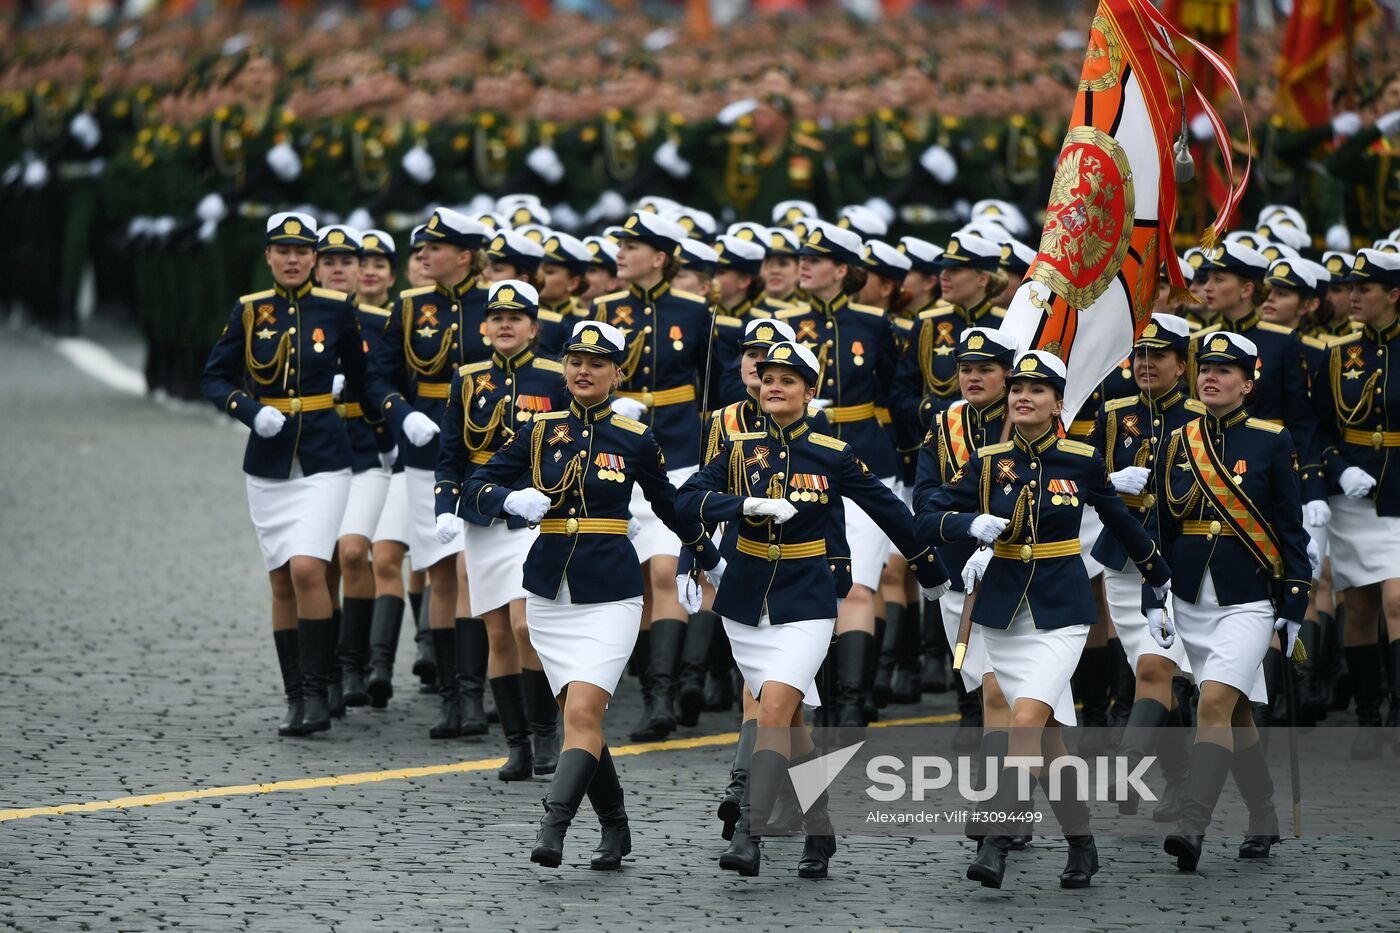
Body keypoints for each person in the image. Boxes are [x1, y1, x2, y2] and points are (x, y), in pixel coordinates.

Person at [678, 340, 950, 879]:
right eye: (767, 376)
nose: (774, 385)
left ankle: (750, 835)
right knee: (792, 724)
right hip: (746, 598)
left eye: (788, 379)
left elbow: (890, 509)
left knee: (775, 710)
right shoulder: (737, 448)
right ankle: (820, 824)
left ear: (809, 391)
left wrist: (928, 566)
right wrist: (739, 509)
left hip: (808, 596)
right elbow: (687, 501)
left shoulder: (832, 452)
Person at [461, 319, 718, 870]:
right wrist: (509, 499)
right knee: (583, 722)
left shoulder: (634, 437)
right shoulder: (537, 430)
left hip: (610, 593)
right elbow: (474, 485)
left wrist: (704, 552)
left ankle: (552, 827)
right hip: (551, 591)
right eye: (575, 361)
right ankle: (616, 828)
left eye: (597, 363)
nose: (583, 370)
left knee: (581, 710)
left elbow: (671, 506)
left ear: (616, 374)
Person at [920, 350, 1171, 890]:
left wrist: (1158, 573)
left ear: (1059, 403)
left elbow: (1118, 519)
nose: (1023, 396)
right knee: (1050, 741)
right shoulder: (987, 461)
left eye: (1038, 389)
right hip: (1003, 615)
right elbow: (928, 511)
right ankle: (1082, 844)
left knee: (1026, 721)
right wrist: (969, 525)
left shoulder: (1080, 460)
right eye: (1017, 388)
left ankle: (996, 842)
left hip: (1061, 612)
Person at [200, 211, 371, 736]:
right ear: (268, 256)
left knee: (305, 570)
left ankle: (320, 691)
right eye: (283, 251)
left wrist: (377, 433)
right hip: (270, 460)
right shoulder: (250, 311)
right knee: (279, 580)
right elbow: (214, 377)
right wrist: (250, 411)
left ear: (315, 259)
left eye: (303, 252)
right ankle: (295, 694)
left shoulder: (339, 308)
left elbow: (364, 381)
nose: (293, 260)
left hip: (324, 456)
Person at [1157, 330, 1312, 871]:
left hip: (1247, 598)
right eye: (1206, 368)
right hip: (1190, 594)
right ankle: (1264, 815)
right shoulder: (1179, 440)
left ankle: (1192, 826)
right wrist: (1157, 593)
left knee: (1213, 704)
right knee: (1237, 711)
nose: (1211, 377)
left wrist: (1295, 602)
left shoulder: (1271, 439)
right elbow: (1164, 523)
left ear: (1248, 382)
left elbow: (1290, 530)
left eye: (1226, 370)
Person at [366, 206, 493, 739]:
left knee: (470, 571)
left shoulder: (497, 306)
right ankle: (450, 695)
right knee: (441, 572)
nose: (421, 256)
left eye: (433, 248)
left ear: (464, 256)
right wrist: (402, 412)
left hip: (485, 450)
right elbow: (378, 377)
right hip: (426, 452)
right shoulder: (410, 305)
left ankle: (474, 691)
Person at [435, 280, 570, 779]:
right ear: (485, 327)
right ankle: (517, 744)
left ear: (535, 327)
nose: (506, 325)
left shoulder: (556, 376)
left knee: (524, 625)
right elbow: (451, 454)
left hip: (534, 513)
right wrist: (445, 507)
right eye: (497, 317)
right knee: (497, 633)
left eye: (517, 318)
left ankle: (544, 732)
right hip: (483, 517)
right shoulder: (467, 379)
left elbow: (570, 443)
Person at [774, 221, 901, 727]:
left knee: (858, 585)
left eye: (817, 259)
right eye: (802, 256)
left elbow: (895, 393)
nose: (804, 264)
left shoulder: (873, 323)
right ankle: (810, 692)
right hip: (798, 462)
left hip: (864, 457)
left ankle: (850, 700)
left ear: (842, 270)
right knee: (807, 582)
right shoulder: (782, 322)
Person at [594, 211, 714, 741]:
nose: (620, 252)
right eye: (620, 244)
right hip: (619, 455)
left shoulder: (693, 310)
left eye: (631, 246)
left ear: (660, 257)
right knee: (640, 581)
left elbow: (712, 387)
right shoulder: (604, 310)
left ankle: (665, 694)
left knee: (667, 571)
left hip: (678, 450)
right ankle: (652, 693)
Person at [1089, 315, 1200, 819]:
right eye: (1140, 355)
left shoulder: (1200, 415)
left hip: (1177, 559)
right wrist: (1110, 480)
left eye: (1158, 356)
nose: (1146, 364)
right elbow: (1084, 483)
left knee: (1157, 668)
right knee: (1148, 669)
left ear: (1182, 364)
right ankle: (1179, 779)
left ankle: (1127, 764)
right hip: (1127, 556)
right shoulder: (1114, 413)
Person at [1311, 249, 1400, 759]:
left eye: (1365, 289)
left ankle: (1396, 707)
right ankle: (1369, 718)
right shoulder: (1339, 355)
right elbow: (1318, 425)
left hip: (1399, 493)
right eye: (1351, 288)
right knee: (1361, 605)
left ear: (1392, 294)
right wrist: (1337, 465)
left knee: (1395, 598)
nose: (1354, 297)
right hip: (1353, 494)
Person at [911, 326, 1014, 757]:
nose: (973, 377)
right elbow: (924, 499)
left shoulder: (1030, 419)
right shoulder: (944, 423)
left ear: (1007, 374)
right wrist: (967, 520)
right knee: (983, 681)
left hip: (1016, 570)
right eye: (965, 369)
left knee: (1000, 688)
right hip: (960, 568)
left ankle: (998, 797)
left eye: (985, 369)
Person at [313, 225, 397, 712]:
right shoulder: (301, 319)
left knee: (352, 553)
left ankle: (353, 663)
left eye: (350, 260)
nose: (342, 268)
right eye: (331, 260)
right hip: (319, 452)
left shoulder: (382, 322)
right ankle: (323, 669)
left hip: (369, 451)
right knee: (318, 561)